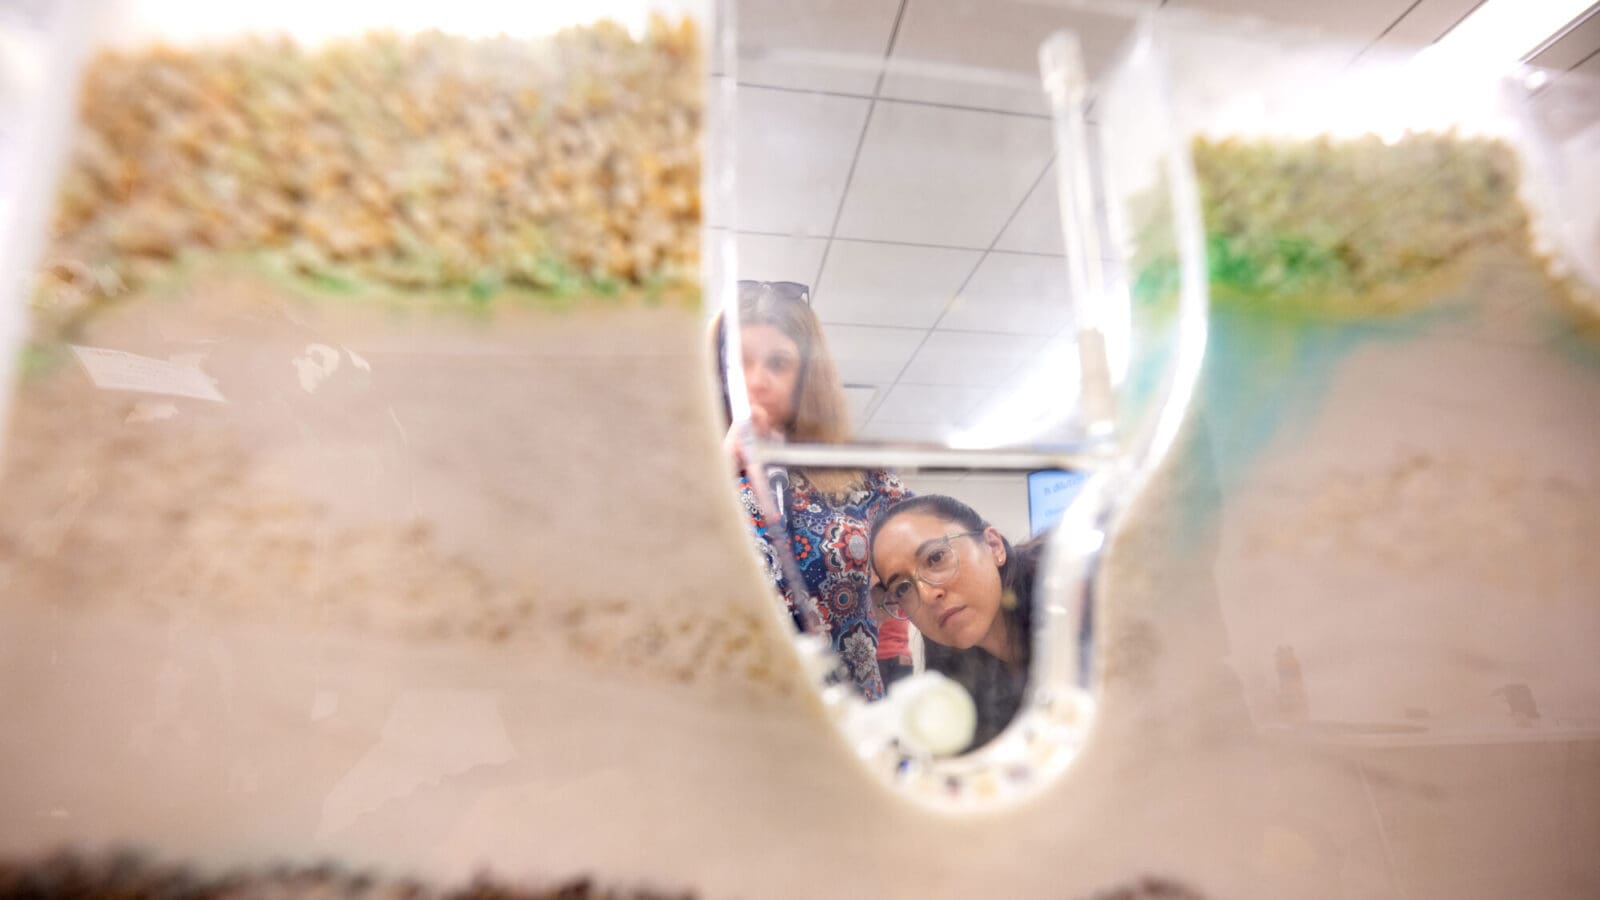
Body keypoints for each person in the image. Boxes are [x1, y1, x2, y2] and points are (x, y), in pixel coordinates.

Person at [713, 280, 909, 701]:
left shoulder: (863, 473)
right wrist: (723, 465)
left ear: (806, 376)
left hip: (848, 712)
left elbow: (929, 553)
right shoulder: (692, 468)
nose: (757, 380)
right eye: (739, 363)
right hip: (730, 714)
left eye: (778, 363)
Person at [868, 494, 1039, 751]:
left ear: (994, 546)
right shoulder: (956, 683)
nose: (926, 594)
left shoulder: (1074, 600)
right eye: (903, 588)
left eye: (935, 558)